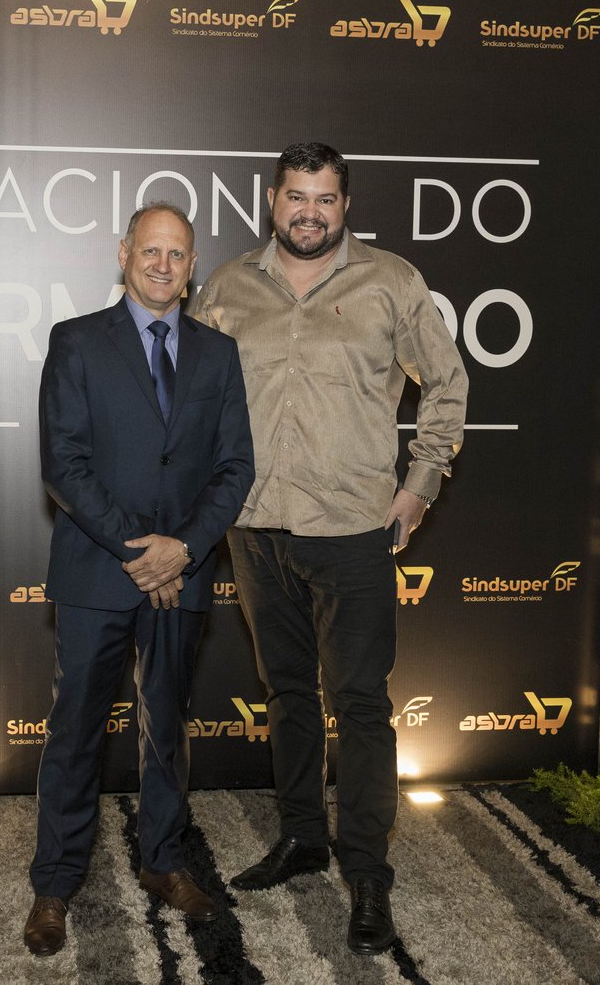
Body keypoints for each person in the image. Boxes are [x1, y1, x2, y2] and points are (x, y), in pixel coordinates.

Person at [190, 142, 467, 955]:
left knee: (360, 702)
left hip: (352, 528)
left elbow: (447, 382)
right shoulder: (228, 287)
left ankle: (368, 871)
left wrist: (419, 485)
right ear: (272, 200)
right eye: (296, 197)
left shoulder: (391, 282)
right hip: (254, 526)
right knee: (287, 693)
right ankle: (304, 836)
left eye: (325, 199)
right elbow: (191, 398)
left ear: (345, 205)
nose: (309, 213)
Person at [24, 201, 255, 957]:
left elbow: (235, 468)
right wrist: (142, 551)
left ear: (192, 268)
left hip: (183, 573)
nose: (162, 264)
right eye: (150, 250)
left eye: (177, 254)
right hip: (99, 569)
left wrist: (181, 549)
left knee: (167, 727)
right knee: (76, 731)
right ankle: (55, 882)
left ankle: (163, 861)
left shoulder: (219, 354)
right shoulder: (77, 341)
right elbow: (64, 464)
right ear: (123, 253)